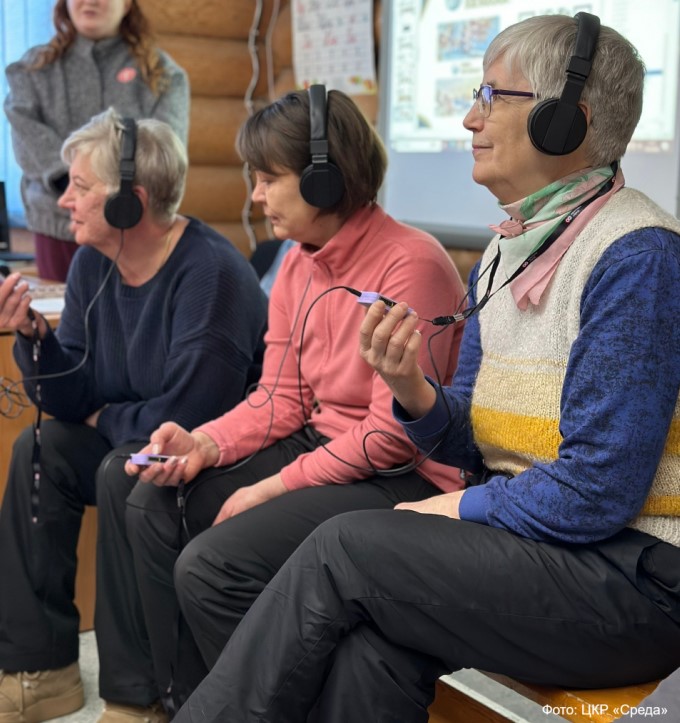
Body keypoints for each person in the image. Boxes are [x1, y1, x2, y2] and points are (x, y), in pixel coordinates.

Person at [170, 14, 680, 723]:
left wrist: (458, 507)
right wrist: (412, 389)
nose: (470, 118)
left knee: (347, 543)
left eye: (492, 96)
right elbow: (473, 442)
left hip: (635, 578)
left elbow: (597, 492)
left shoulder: (639, 256)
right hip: (542, 548)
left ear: (566, 120)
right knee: (370, 648)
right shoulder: (506, 253)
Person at [101, 85, 467, 714]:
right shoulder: (299, 262)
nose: (255, 196)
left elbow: (392, 436)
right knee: (153, 502)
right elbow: (280, 396)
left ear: (326, 179)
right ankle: (191, 704)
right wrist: (206, 443)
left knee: (210, 567)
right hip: (324, 446)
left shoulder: (413, 264)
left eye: (269, 179)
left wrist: (271, 488)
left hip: (398, 474)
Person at [0, 108, 267, 723]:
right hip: (140, 440)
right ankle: (41, 672)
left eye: (80, 187)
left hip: (215, 455)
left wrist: (103, 419)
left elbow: (187, 417)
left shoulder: (210, 273)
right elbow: (74, 397)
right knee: (39, 449)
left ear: (131, 202)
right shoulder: (93, 262)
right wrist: (36, 340)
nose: (64, 201)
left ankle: (137, 695)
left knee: (123, 469)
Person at [4, 0, 189, 282]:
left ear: (126, 5)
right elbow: (29, 139)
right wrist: (79, 191)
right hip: (58, 229)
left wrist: (116, 197)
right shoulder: (31, 70)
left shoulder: (163, 74)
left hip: (134, 228)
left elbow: (166, 153)